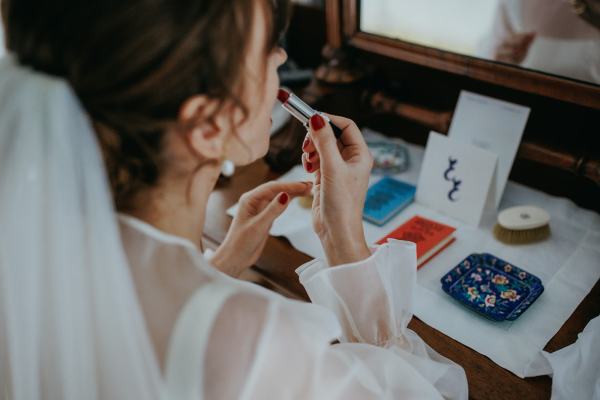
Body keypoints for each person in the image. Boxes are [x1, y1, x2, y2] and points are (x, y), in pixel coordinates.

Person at [0, 0, 468, 399]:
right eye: (267, 47)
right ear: (207, 126)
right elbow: (422, 390)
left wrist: (219, 265)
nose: (282, 54)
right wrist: (344, 238)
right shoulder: (259, 344)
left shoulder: (29, 259)